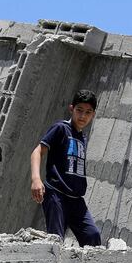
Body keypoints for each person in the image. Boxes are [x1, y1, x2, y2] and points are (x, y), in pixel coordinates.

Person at [29, 89, 101, 246]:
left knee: (93, 236)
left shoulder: (82, 137)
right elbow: (37, 151)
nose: (83, 116)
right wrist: (36, 179)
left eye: (88, 112)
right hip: (56, 195)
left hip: (76, 200)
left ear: (93, 115)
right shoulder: (60, 128)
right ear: (71, 109)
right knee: (56, 241)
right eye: (79, 110)